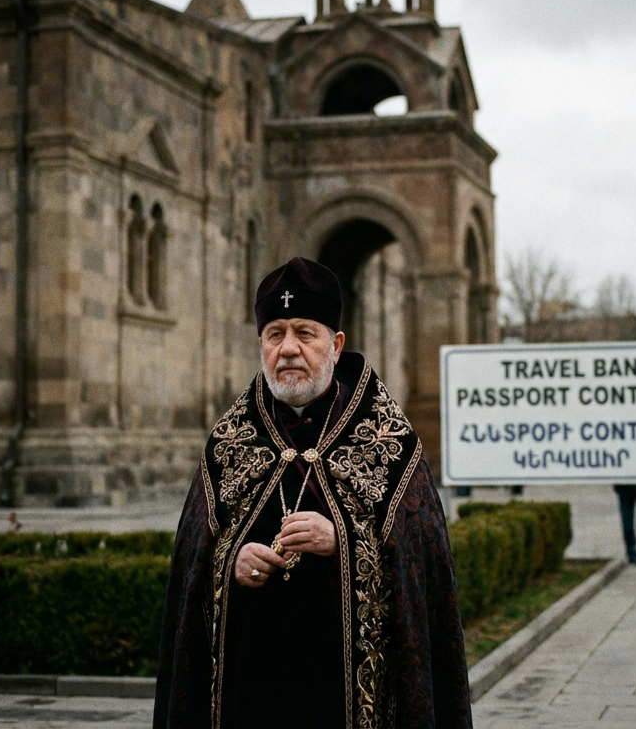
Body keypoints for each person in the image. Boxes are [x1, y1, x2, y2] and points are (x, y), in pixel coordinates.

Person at [154, 257, 471, 728]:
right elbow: (193, 562)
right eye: (275, 334)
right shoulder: (228, 440)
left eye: (305, 333)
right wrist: (231, 560)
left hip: (345, 700)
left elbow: (420, 566)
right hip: (250, 691)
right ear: (260, 343)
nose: (288, 349)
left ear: (336, 344)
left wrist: (343, 540)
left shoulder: (389, 439)